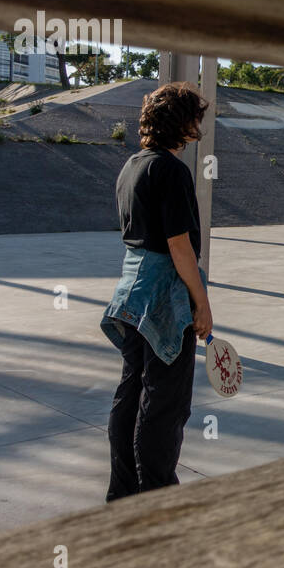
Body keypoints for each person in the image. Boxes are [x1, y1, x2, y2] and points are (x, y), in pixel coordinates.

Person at [99, 82, 214, 500]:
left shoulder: (131, 166)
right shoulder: (170, 170)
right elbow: (179, 246)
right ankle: (158, 494)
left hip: (130, 293)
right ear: (183, 124)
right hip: (164, 298)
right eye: (195, 117)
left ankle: (123, 492)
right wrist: (201, 303)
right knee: (164, 402)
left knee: (131, 391)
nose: (198, 125)